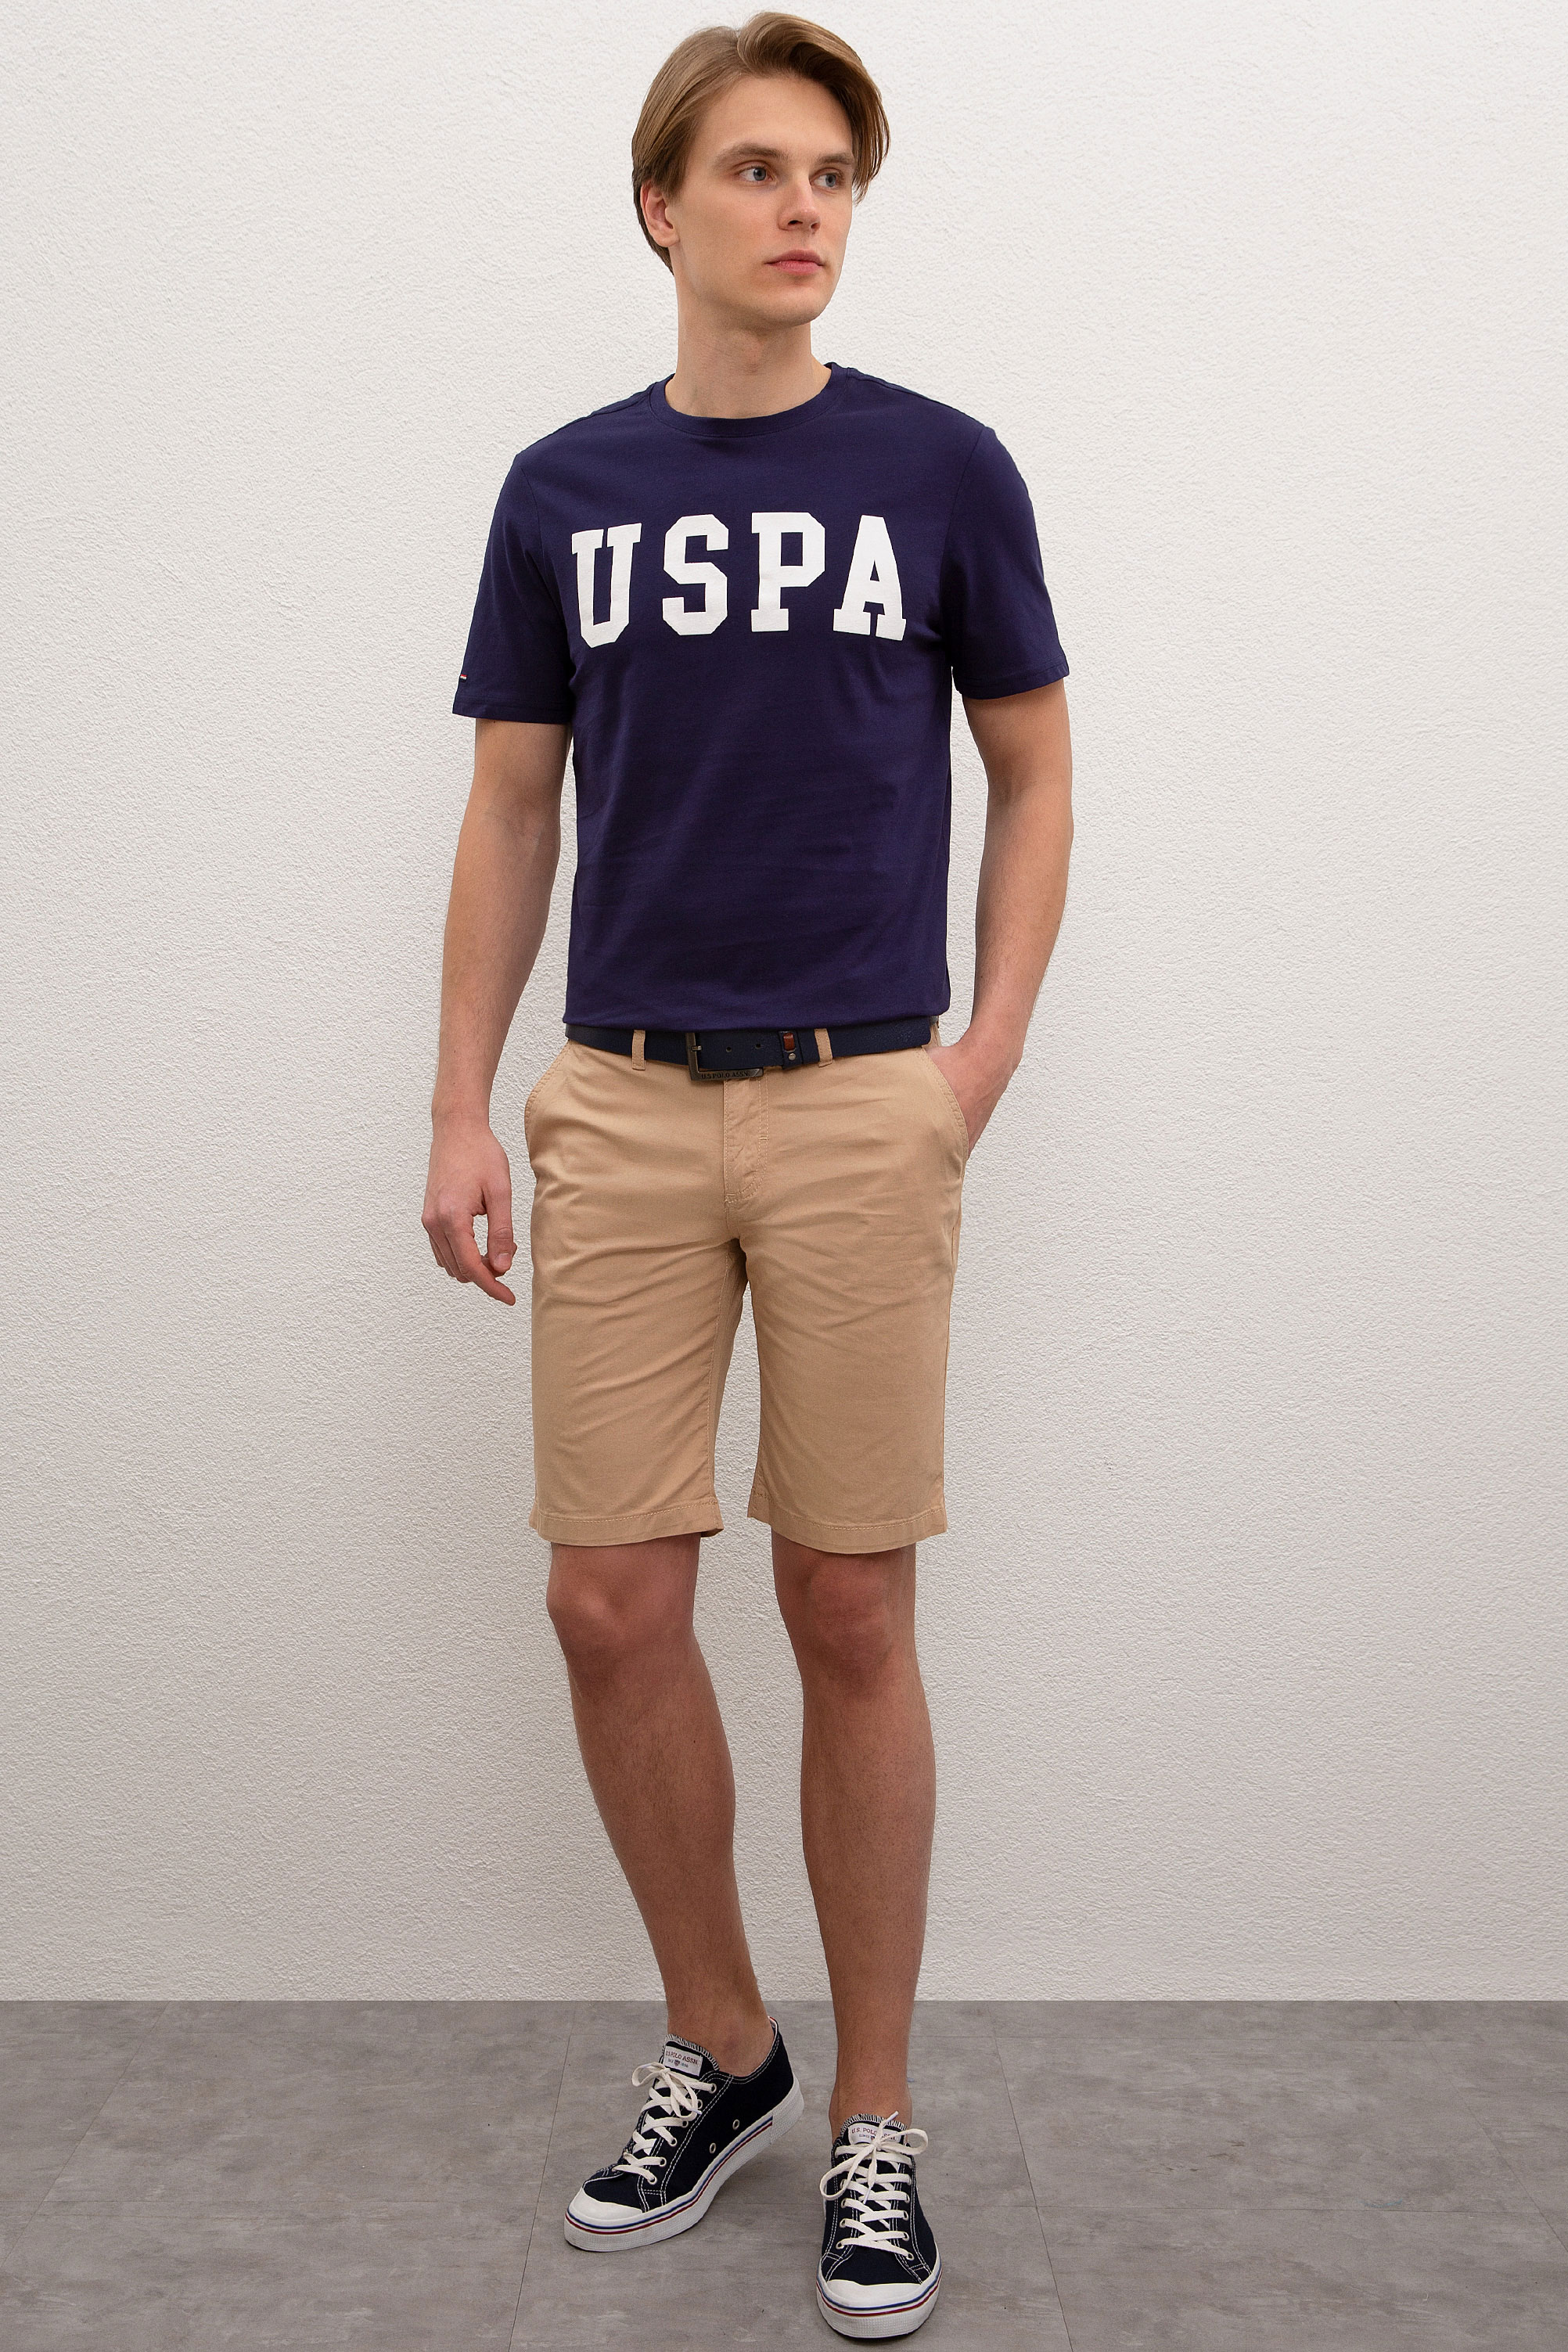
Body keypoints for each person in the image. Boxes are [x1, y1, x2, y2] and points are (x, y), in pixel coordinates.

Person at [423, 13, 1072, 2336]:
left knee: (847, 1604)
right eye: (761, 170)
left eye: (834, 178)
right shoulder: (563, 490)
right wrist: (458, 1102)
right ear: (660, 206)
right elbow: (513, 806)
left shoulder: (940, 470)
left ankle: (874, 2121)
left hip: (860, 1096)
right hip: (616, 1101)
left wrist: (976, 1061)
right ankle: (725, 2045)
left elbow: (1035, 769)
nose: (804, 209)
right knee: (609, 1600)